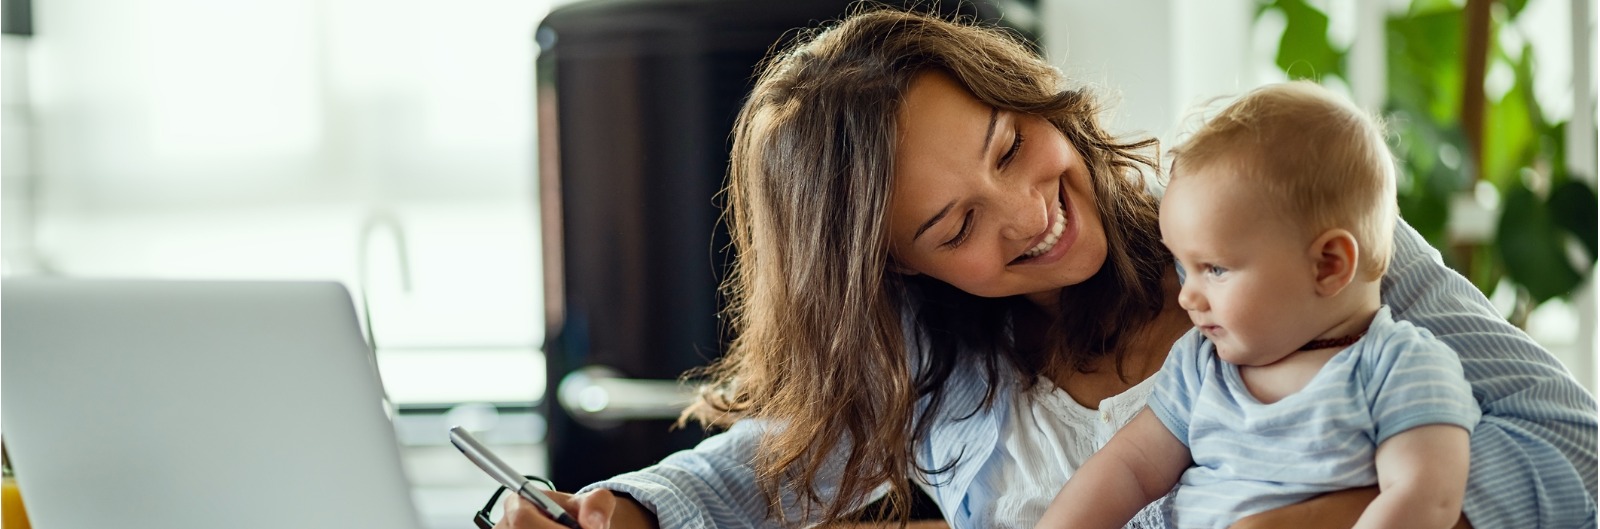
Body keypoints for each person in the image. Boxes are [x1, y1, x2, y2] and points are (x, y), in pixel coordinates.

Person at [495, 8, 1598, 529]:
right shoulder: (935, 359)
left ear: (1027, 94)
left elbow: (1577, 453)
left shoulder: (1282, 233)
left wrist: (1363, 508)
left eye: (1012, 146)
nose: (1028, 214)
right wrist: (619, 513)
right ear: (893, 271)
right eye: (952, 226)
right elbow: (753, 468)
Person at [1032, 82, 1482, 529]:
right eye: (1184, 266)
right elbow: (1129, 468)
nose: (1188, 296)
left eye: (1215, 269)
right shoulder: (1201, 366)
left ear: (1328, 265)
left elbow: (1424, 500)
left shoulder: (1399, 368)